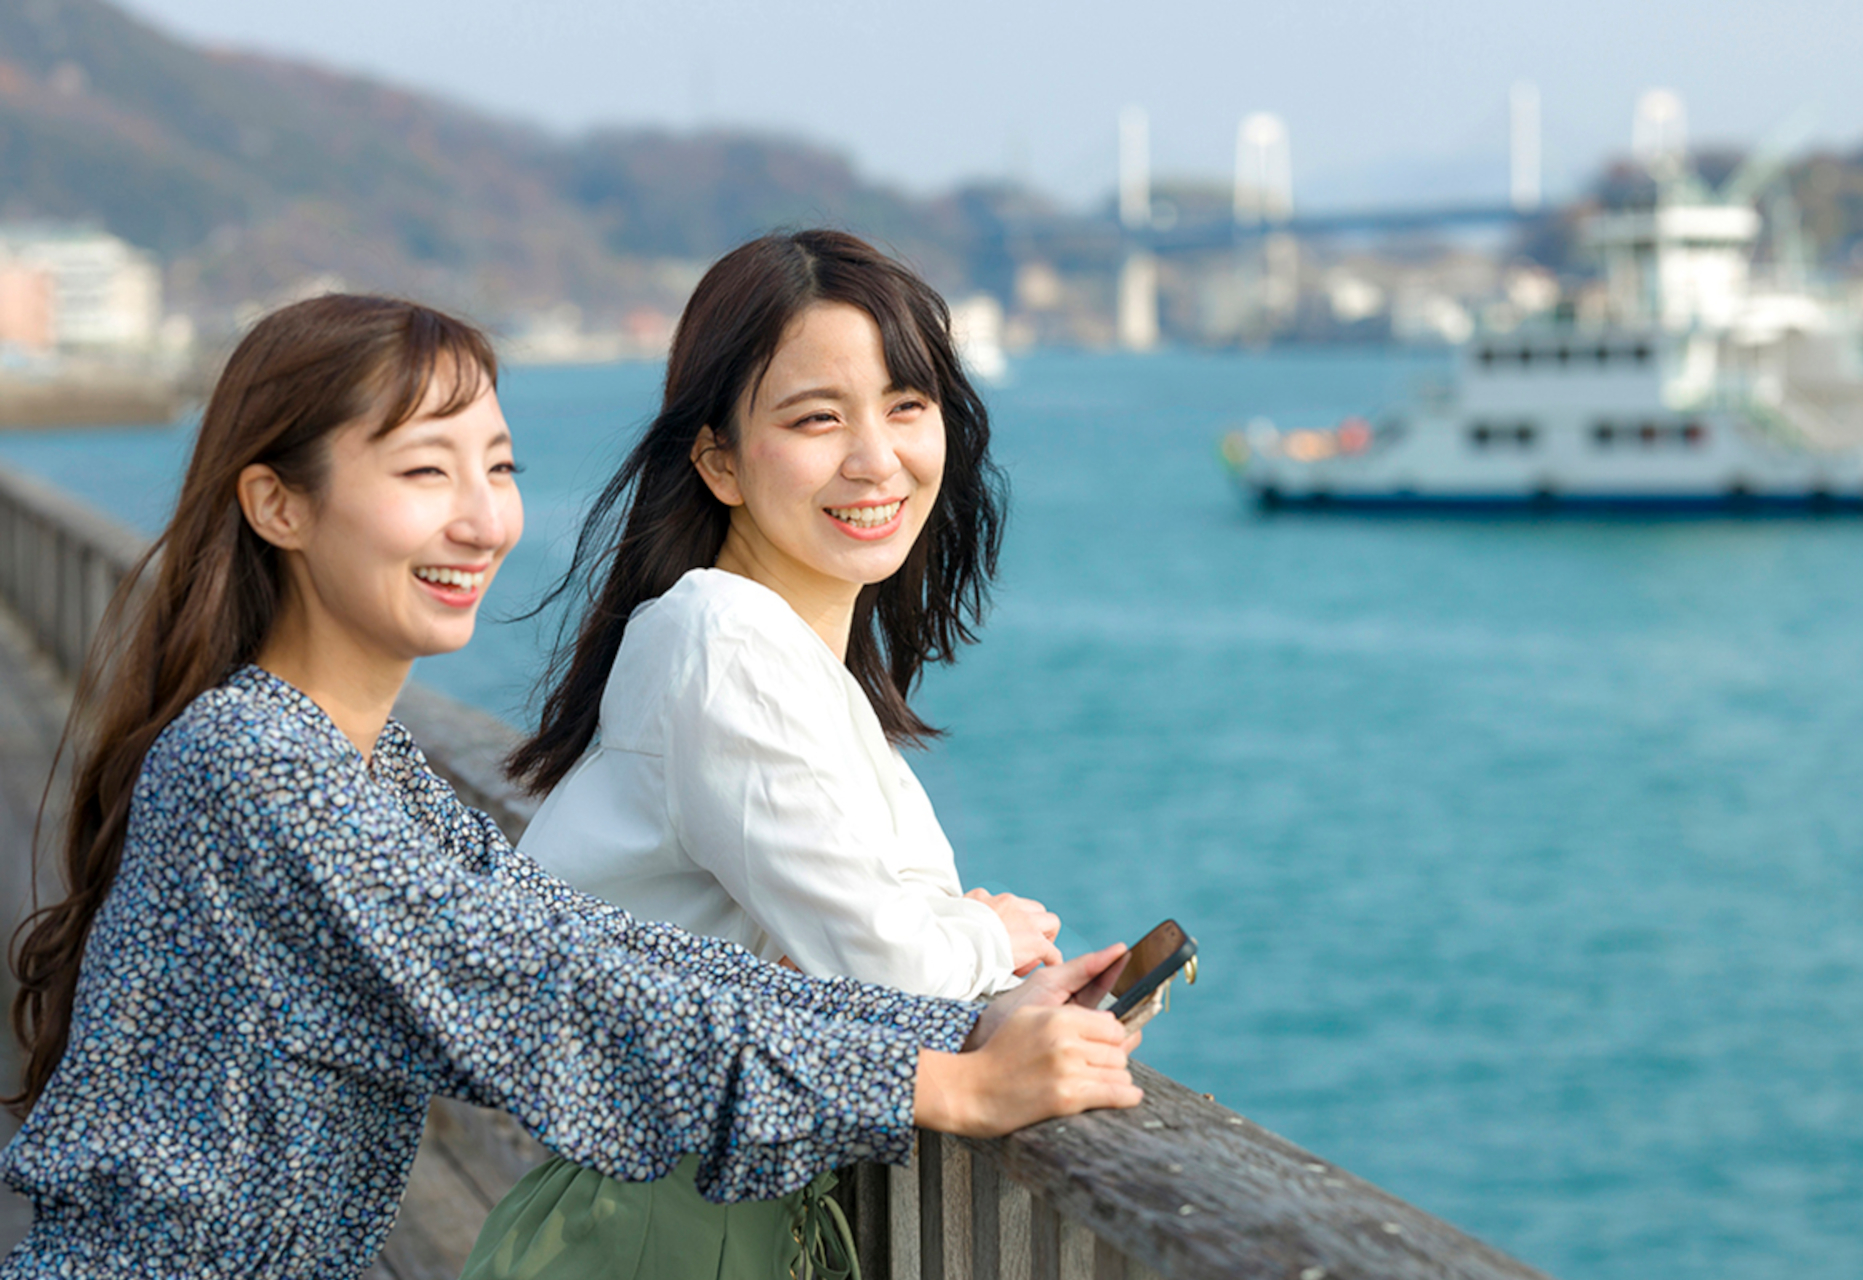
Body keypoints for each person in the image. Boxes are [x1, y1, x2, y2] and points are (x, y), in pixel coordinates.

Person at [0, 294, 1142, 1279]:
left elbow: (604, 950)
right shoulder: (257, 767)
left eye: (498, 468)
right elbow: (552, 996)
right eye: (423, 469)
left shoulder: (367, 768)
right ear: (278, 505)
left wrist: (952, 1019)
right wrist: (936, 1085)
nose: (482, 517)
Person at [461, 231, 1081, 1278]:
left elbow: (843, 958)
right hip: (656, 1231)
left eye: (905, 405)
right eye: (816, 417)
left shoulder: (775, 657)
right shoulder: (721, 641)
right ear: (718, 460)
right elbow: (882, 972)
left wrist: (968, 956)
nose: (875, 456)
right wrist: (983, 931)